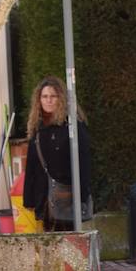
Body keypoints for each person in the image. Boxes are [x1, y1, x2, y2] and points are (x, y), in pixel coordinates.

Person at [23, 75, 93, 231]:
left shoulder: (73, 126)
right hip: (44, 199)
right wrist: (29, 199)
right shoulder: (37, 128)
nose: (48, 100)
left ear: (60, 99)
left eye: (53, 96)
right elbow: (32, 166)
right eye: (44, 96)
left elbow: (83, 162)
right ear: (38, 100)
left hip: (67, 199)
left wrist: (82, 196)